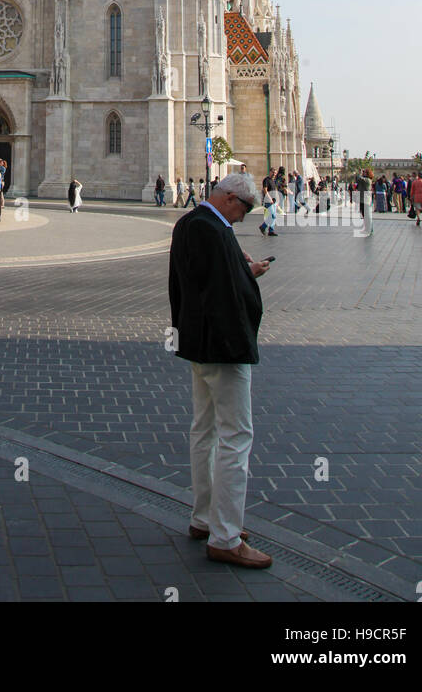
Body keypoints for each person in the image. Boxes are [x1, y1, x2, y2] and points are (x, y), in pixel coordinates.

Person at [168, 171, 272, 569]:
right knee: (236, 436)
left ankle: (204, 517)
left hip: (196, 342)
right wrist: (249, 276)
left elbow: (196, 284)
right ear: (229, 198)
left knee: (204, 430)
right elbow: (227, 293)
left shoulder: (190, 222)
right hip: (223, 346)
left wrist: (243, 270)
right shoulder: (214, 229)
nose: (243, 218)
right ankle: (225, 536)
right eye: (244, 210)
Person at [356, 167, 374, 236]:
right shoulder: (364, 180)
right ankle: (368, 229)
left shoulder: (367, 180)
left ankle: (369, 229)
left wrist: (360, 172)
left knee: (367, 215)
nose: (364, 173)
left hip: (365, 199)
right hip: (362, 199)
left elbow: (359, 178)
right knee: (365, 215)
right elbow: (357, 180)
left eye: (365, 172)